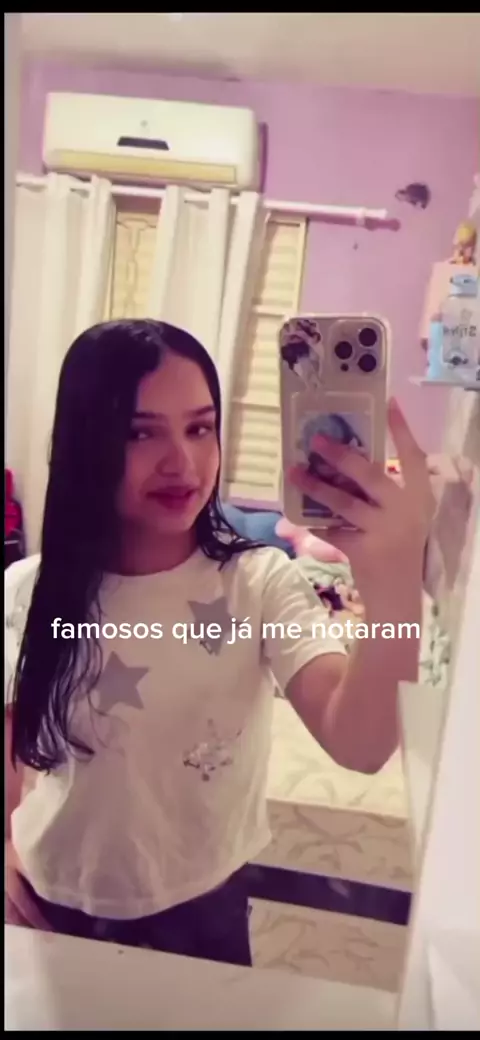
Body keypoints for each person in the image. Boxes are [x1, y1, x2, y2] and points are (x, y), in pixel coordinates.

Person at [5, 319, 434, 966]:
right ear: (85, 441)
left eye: (200, 428)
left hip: (204, 908)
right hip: (48, 901)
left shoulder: (259, 583)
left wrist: (394, 580)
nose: (181, 462)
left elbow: (362, 746)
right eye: (140, 432)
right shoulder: (29, 591)